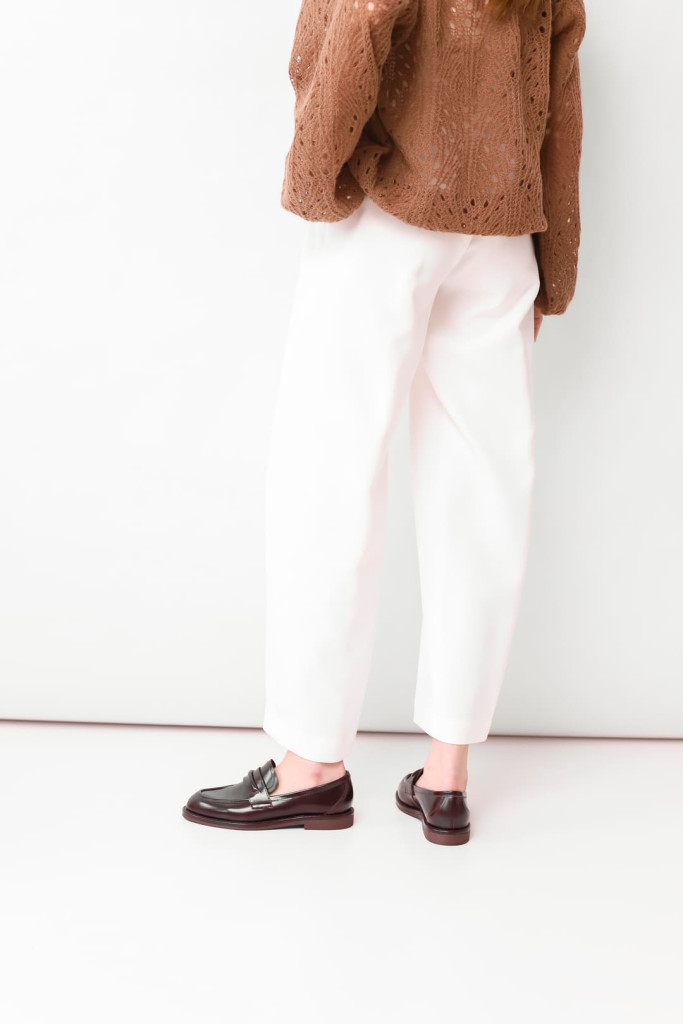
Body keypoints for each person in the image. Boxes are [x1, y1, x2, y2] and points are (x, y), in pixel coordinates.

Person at [182, 0, 587, 845]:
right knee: (482, 491)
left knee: (327, 473)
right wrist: (552, 265)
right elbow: (560, 92)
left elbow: (358, 20)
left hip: (385, 220)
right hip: (502, 235)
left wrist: (315, 173)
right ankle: (446, 775)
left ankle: (309, 768)